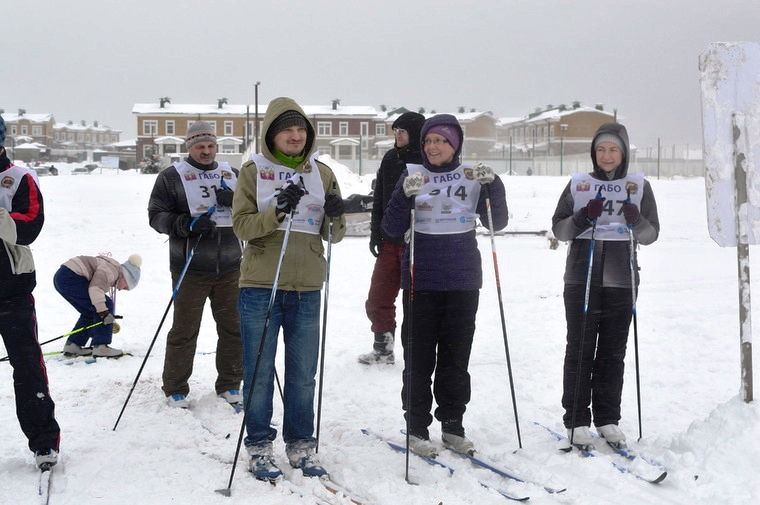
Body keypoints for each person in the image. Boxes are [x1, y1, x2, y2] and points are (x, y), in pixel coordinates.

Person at [232, 97, 346, 481]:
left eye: (301, 129)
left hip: (308, 285)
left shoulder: (323, 173)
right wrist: (278, 210)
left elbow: (334, 234)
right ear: (271, 135)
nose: (295, 135)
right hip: (262, 284)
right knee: (260, 372)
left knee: (302, 374)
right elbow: (242, 227)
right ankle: (259, 445)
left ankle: (301, 444)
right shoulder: (253, 171)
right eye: (287, 129)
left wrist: (336, 214)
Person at [381, 114, 508, 457]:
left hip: (463, 278)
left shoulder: (470, 176)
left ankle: (452, 423)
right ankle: (417, 426)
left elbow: (499, 219)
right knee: (419, 356)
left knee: (456, 356)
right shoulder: (412, 176)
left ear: (455, 145)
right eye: (427, 141)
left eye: (441, 141)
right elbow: (390, 228)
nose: (433, 147)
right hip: (421, 278)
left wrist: (494, 184)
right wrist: (403, 198)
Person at [551, 123, 659, 449]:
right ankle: (577, 419)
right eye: (601, 149)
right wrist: (583, 217)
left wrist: (635, 219)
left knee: (613, 351)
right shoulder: (579, 185)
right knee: (581, 348)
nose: (606, 156)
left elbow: (650, 235)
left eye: (613, 149)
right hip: (582, 277)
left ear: (623, 152)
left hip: (621, 279)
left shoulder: (639, 187)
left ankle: (608, 418)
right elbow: (560, 230)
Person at [148, 121, 243, 409]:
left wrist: (236, 200)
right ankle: (175, 387)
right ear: (189, 147)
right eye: (200, 146)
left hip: (230, 265)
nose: (206, 151)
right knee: (185, 329)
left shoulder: (232, 173)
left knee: (233, 327)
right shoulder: (171, 176)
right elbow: (156, 215)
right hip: (190, 266)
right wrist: (186, 224)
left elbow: (251, 211)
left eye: (211, 146)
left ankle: (229, 384)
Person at [0, 114, 61, 469]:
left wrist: (1, 219)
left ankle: (43, 441)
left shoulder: (18, 178)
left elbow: (31, 225)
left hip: (12, 289)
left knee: (27, 368)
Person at [358, 111, 425, 365]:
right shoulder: (390, 159)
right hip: (390, 242)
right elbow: (380, 199)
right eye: (395, 131)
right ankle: (383, 349)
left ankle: (419, 352)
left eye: (403, 132)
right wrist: (376, 233)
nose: (397, 136)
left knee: (417, 303)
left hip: (418, 244)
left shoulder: (426, 161)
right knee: (378, 297)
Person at [54, 254, 142, 358]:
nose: (121, 289)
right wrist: (104, 313)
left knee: (90, 311)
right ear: (125, 277)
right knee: (105, 304)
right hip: (70, 277)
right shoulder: (111, 272)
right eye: (126, 287)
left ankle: (73, 345)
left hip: (62, 277)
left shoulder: (112, 269)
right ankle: (101, 347)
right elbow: (95, 289)